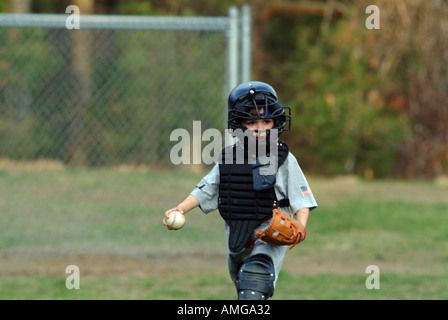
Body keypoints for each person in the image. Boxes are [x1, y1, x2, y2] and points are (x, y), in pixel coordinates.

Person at [163, 81, 318, 300]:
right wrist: (181, 207)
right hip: (236, 237)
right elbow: (207, 188)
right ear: (238, 124)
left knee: (254, 284)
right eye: (252, 122)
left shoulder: (283, 159)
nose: (260, 128)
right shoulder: (228, 158)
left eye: (266, 121)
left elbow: (301, 198)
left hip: (269, 238)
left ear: (276, 122)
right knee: (245, 291)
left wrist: (300, 227)